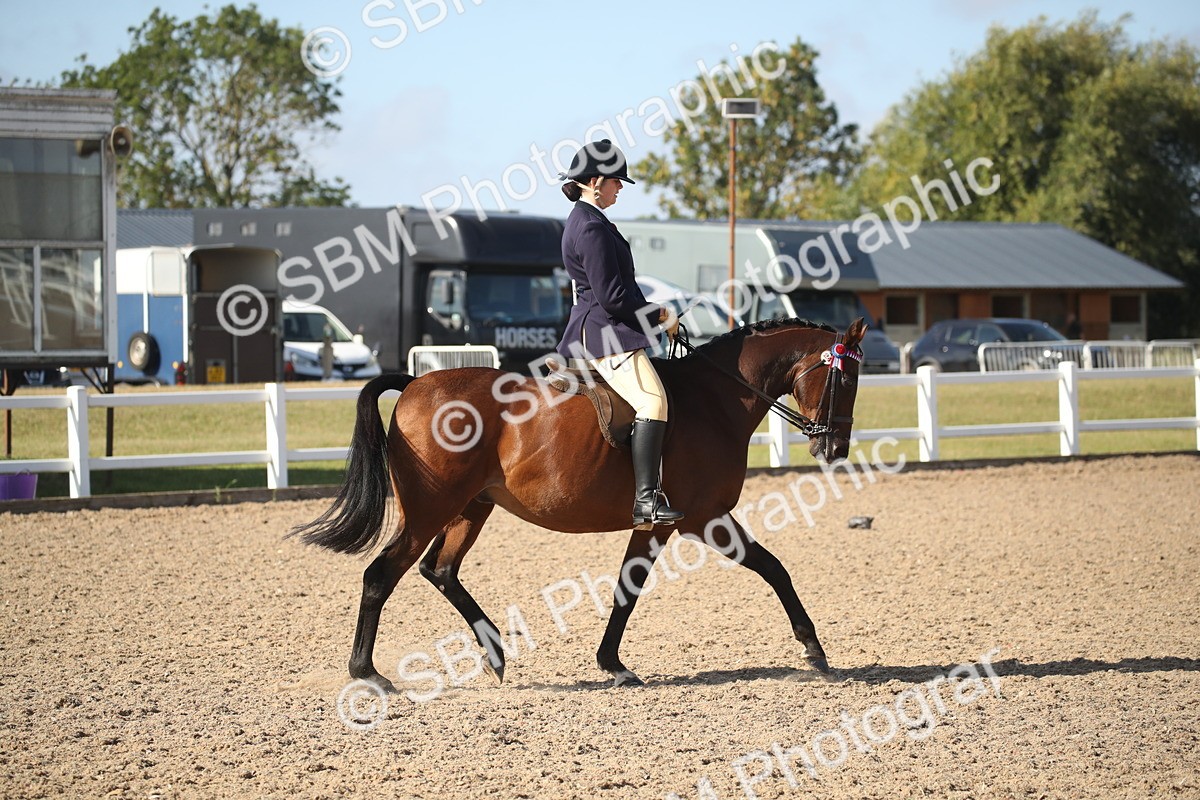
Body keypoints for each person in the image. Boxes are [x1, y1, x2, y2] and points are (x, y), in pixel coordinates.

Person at [556, 139, 684, 528]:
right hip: (604, 334)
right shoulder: (591, 227)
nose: (620, 188)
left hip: (602, 329)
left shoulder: (590, 221)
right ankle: (646, 502)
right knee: (652, 405)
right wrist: (659, 314)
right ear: (594, 181)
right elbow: (612, 298)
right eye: (616, 181)